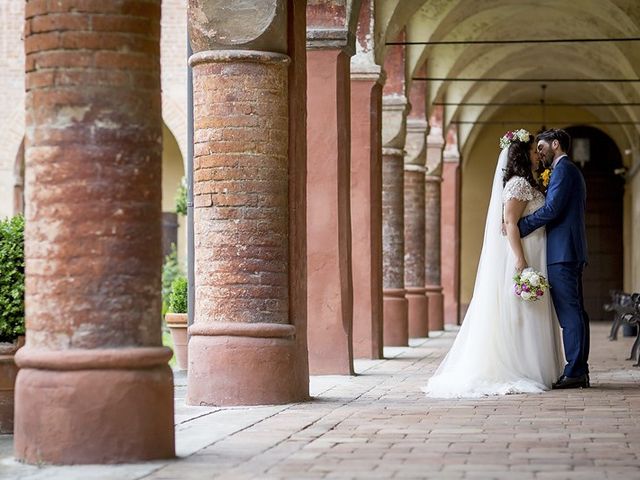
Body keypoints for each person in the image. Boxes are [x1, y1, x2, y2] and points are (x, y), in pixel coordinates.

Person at [423, 129, 564, 398]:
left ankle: (537, 367)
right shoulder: (517, 185)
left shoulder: (527, 183)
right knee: (522, 311)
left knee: (531, 308)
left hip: (536, 249)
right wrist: (520, 259)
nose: (538, 154)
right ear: (523, 154)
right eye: (534, 151)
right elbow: (509, 223)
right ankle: (523, 367)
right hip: (524, 252)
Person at [519, 128, 590, 389]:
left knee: (570, 313)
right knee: (576, 313)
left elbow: (552, 209)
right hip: (569, 250)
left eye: (541, 147)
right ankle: (579, 369)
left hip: (562, 253)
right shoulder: (567, 171)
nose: (539, 153)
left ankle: (575, 371)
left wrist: (520, 225)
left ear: (555, 144)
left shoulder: (564, 170)